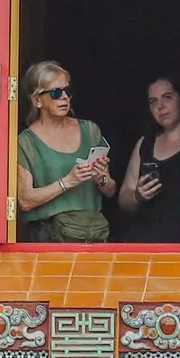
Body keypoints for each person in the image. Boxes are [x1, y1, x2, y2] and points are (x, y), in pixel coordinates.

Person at [15, 61, 115, 243]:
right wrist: (68, 181)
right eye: (55, 93)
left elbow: (110, 190)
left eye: (67, 91)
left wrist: (102, 178)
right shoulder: (26, 142)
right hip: (49, 240)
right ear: (37, 100)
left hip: (92, 236)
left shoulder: (90, 130)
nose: (64, 98)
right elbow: (24, 201)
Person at [116, 74, 180, 244]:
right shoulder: (145, 144)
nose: (160, 106)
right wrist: (138, 196)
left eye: (167, 97)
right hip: (145, 243)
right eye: (153, 102)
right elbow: (124, 198)